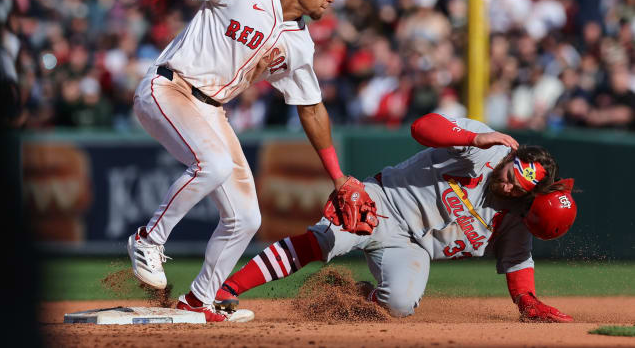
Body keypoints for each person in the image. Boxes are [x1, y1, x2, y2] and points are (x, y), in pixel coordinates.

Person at [56, 0, 361, 322]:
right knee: (213, 165)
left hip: (212, 110)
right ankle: (148, 239)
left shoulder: (300, 45)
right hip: (168, 87)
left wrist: (338, 177)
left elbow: (312, 108)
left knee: (247, 218)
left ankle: (198, 300)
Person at [215, 113, 578, 323]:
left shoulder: (515, 215)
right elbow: (422, 127)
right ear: (512, 161)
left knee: (400, 305)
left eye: (519, 189)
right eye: (510, 177)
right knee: (325, 240)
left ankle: (352, 297)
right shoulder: (488, 149)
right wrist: (476, 136)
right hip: (383, 202)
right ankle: (223, 291)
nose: (510, 187)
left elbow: (517, 261)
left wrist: (527, 302)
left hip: (412, 247)